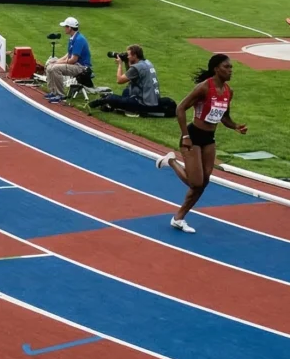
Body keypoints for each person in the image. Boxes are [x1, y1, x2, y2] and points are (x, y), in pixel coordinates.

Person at [158, 53, 247, 233]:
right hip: (193, 136)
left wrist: (236, 126)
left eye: (231, 67)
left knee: (204, 182)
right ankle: (171, 161)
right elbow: (180, 108)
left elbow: (224, 117)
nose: (230, 70)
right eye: (226, 67)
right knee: (196, 183)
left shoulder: (229, 92)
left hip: (209, 139)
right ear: (216, 69)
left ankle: (178, 218)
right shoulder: (204, 88)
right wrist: (185, 136)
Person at [90, 45, 162, 117]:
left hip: (143, 103)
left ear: (135, 56)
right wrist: (126, 62)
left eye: (129, 55)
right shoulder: (147, 62)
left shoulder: (138, 67)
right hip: (152, 98)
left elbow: (119, 80)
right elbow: (131, 75)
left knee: (111, 98)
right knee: (126, 91)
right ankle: (121, 106)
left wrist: (120, 64)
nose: (127, 57)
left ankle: (100, 102)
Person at [43, 16, 92, 96]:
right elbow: (68, 54)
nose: (64, 28)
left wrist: (57, 63)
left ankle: (60, 94)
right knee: (50, 65)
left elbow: (73, 60)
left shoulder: (79, 40)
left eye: (65, 27)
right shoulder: (73, 38)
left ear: (70, 28)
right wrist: (56, 61)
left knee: (55, 68)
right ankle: (53, 91)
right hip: (76, 65)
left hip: (81, 67)